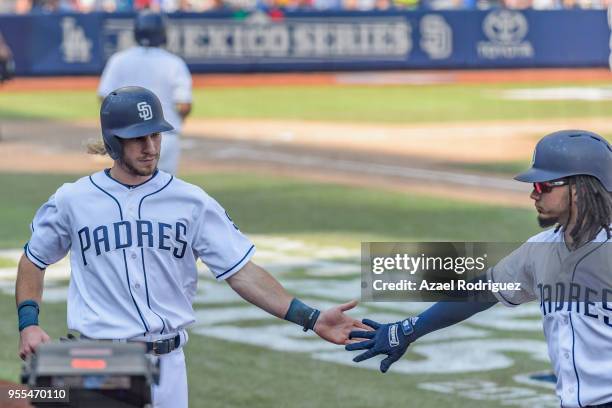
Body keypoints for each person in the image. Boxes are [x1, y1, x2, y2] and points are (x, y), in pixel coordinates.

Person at [16, 86, 366, 408]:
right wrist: (28, 323)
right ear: (112, 142)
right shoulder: (73, 200)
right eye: (138, 138)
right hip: (100, 360)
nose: (150, 147)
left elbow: (243, 274)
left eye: (155, 135)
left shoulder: (191, 201)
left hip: (169, 365)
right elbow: (34, 260)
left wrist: (312, 318)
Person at [347, 129, 612, 408]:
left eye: (543, 186)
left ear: (580, 188)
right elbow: (481, 292)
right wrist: (407, 330)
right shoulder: (541, 249)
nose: (533, 194)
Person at [98, 10, 191, 175]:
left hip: (127, 139)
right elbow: (184, 105)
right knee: (164, 192)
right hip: (164, 137)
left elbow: (105, 98)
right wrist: (178, 122)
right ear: (163, 33)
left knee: (128, 187)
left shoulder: (119, 60)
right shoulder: (174, 63)